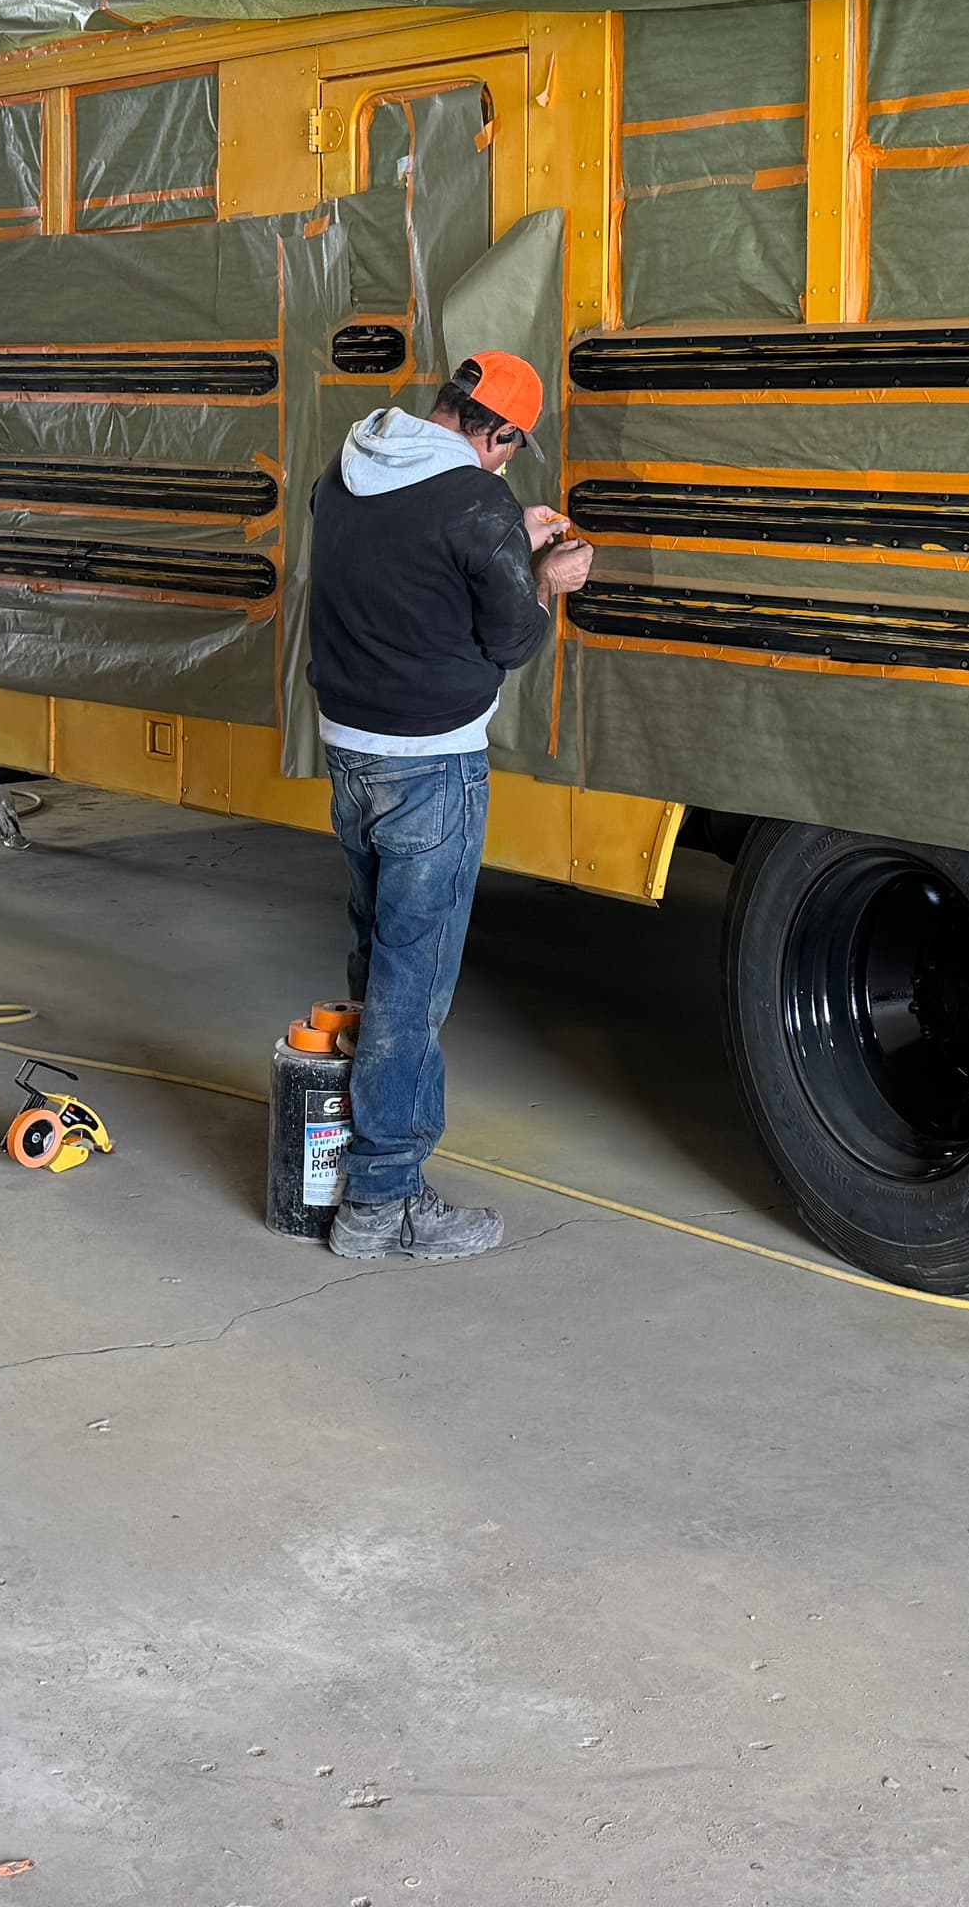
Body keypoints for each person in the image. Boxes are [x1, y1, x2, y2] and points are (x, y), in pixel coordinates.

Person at [303, 350, 593, 1261]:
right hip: (432, 768)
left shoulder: (345, 469)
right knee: (412, 986)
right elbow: (509, 638)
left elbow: (412, 567)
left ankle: (357, 1168)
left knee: (377, 956)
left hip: (352, 755)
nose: (510, 465)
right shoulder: (478, 504)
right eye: (513, 448)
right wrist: (544, 572)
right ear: (497, 431)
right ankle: (383, 1204)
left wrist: (511, 534)